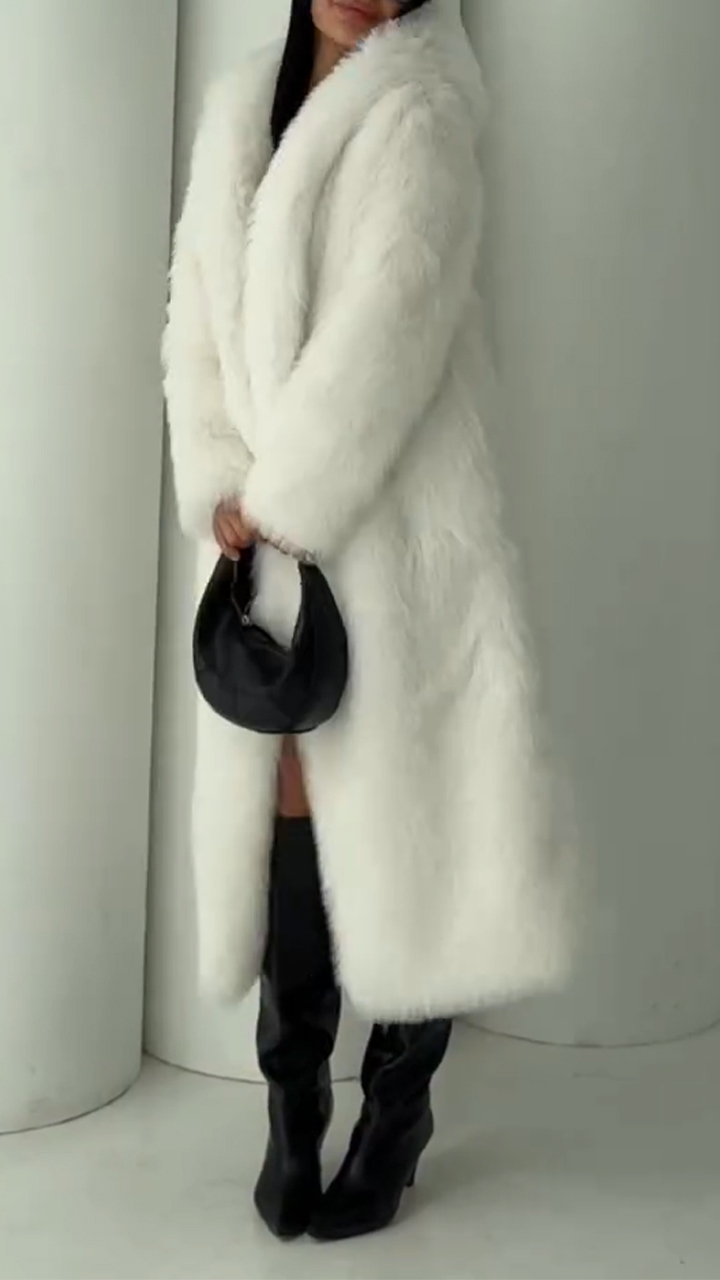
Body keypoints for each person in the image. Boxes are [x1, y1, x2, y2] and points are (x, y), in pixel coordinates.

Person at [163, 0, 573, 1243]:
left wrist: (280, 496)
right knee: (290, 805)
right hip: (275, 540)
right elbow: (192, 316)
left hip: (403, 534)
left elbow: (391, 333)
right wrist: (216, 475)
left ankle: (395, 1117)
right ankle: (292, 1111)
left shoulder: (424, 107)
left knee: (415, 826)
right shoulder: (239, 106)